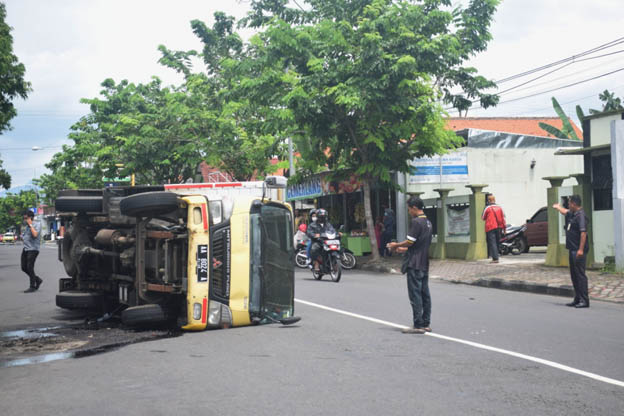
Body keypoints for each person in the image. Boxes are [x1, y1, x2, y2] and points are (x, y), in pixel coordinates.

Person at [387, 196, 433, 334]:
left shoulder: (416, 222)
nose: (408, 212)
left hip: (414, 263)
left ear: (414, 208)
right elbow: (418, 244)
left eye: (408, 209)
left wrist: (396, 245)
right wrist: (404, 249)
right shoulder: (428, 222)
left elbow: (410, 241)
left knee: (415, 294)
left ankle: (418, 325)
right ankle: (426, 323)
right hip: (424, 262)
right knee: (425, 294)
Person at [553, 194, 590, 308]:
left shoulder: (581, 216)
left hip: (578, 251)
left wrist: (580, 249)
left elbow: (583, 233)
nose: (568, 205)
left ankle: (584, 300)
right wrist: (557, 207)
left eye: (569, 203)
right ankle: (577, 298)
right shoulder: (573, 214)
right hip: (572, 249)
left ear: (574, 204)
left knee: (580, 275)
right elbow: (564, 212)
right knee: (574, 275)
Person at [21, 210, 43, 293]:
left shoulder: (37, 224)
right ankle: (37, 279)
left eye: (26, 218)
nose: (24, 220)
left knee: (30, 267)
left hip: (33, 249)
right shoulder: (26, 226)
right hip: (26, 249)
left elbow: (35, 235)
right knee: (24, 267)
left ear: (30, 218)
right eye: (24, 218)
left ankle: (32, 286)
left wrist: (30, 224)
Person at [482, 194, 506, 263]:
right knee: (497, 242)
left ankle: (495, 258)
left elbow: (483, 217)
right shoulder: (500, 207)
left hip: (490, 227)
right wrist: (504, 229)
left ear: (489, 200)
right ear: (494, 200)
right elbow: (503, 218)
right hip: (499, 227)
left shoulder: (487, 208)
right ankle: (496, 256)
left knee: (492, 242)